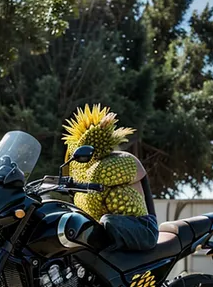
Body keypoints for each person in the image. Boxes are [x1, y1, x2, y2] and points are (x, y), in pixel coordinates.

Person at [63, 104, 159, 251]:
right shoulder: (84, 178)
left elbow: (96, 194)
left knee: (107, 221)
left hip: (143, 228)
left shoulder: (120, 161)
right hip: (118, 229)